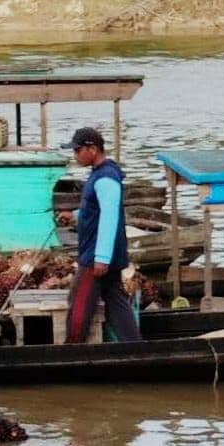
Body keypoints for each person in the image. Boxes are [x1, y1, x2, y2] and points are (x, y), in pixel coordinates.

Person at [58, 127, 141, 343]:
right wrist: (74, 216)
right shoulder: (99, 174)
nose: (75, 155)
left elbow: (109, 217)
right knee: (117, 303)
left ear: (92, 149)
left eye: (77, 150)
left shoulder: (106, 178)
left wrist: (101, 258)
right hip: (109, 256)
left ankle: (72, 352)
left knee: (79, 302)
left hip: (97, 257)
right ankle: (136, 348)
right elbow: (95, 211)